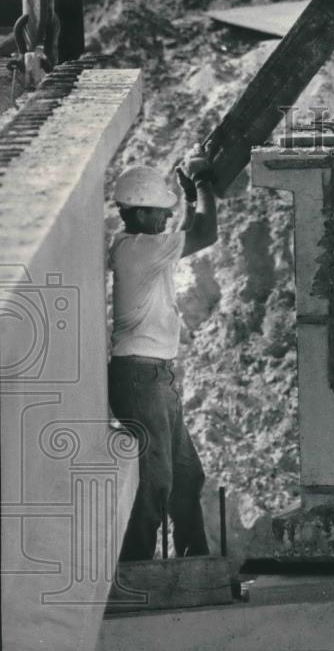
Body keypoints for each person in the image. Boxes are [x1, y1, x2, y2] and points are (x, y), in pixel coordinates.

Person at [108, 152, 218, 561]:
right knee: (156, 478)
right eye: (159, 213)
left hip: (156, 378)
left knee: (186, 477)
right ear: (137, 214)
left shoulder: (143, 245)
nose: (165, 221)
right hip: (139, 379)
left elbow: (187, 227)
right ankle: (137, 567)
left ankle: (195, 562)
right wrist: (204, 183)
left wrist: (187, 197)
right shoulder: (140, 250)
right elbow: (205, 233)